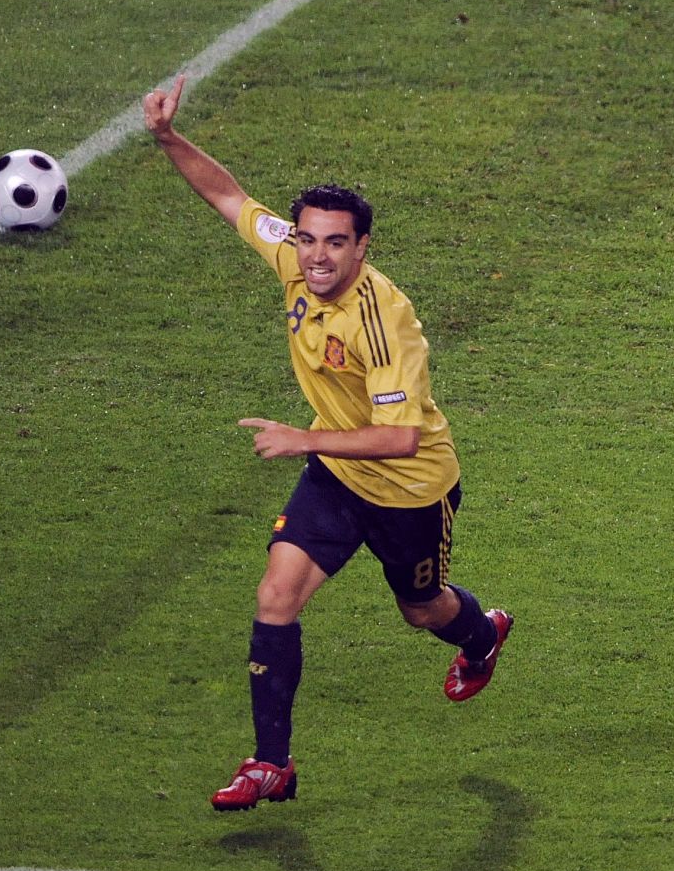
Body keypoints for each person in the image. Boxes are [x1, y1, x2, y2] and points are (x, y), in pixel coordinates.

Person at [142, 76, 513, 812]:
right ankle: (269, 763)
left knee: (422, 609)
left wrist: (303, 437)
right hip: (337, 476)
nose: (315, 254)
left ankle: (482, 633)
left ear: (363, 246)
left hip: (410, 490)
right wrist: (166, 138)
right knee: (276, 594)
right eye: (306, 236)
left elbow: (404, 436)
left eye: (335, 242)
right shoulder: (295, 260)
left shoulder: (384, 320)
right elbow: (229, 199)